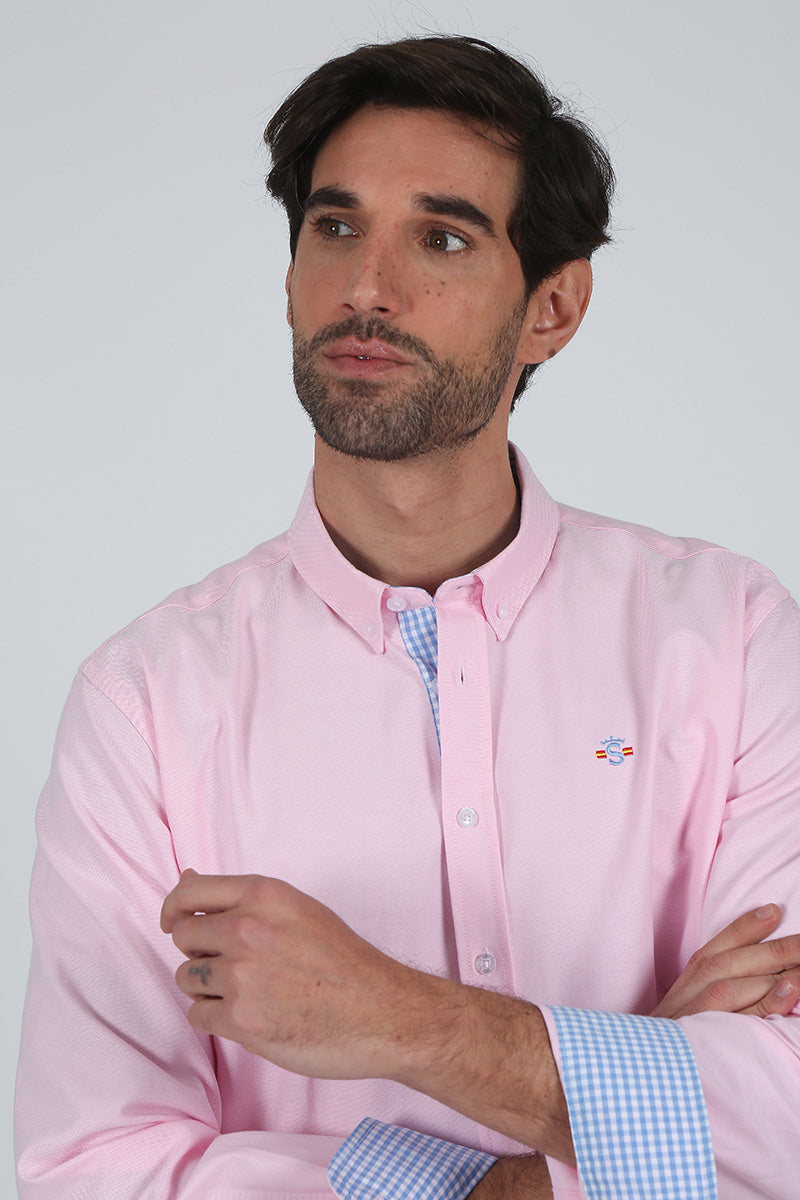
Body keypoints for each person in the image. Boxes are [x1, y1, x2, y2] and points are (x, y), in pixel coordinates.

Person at [15, 35, 800, 1200]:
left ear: (551, 308)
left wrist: (396, 1020)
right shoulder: (147, 705)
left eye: (440, 238)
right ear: (289, 273)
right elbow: (92, 1170)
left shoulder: (731, 640)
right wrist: (632, 1105)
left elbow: (789, 1113)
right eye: (335, 227)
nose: (367, 289)